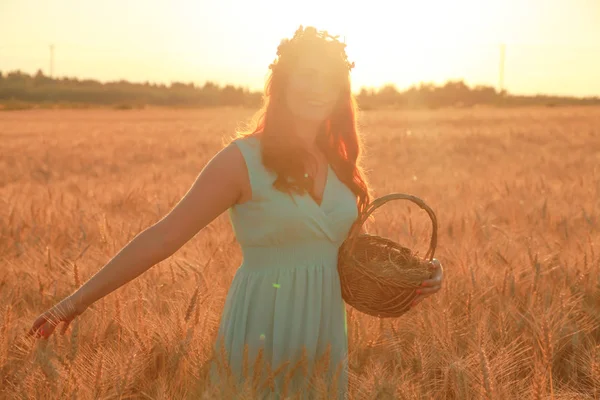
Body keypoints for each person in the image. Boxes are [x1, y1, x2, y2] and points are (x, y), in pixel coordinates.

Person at [28, 26, 444, 398]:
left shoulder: (340, 164)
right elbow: (164, 236)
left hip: (323, 338)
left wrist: (416, 278)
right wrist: (74, 303)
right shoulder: (241, 160)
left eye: (331, 80)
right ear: (283, 82)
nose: (319, 88)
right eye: (308, 75)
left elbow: (350, 262)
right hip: (261, 329)